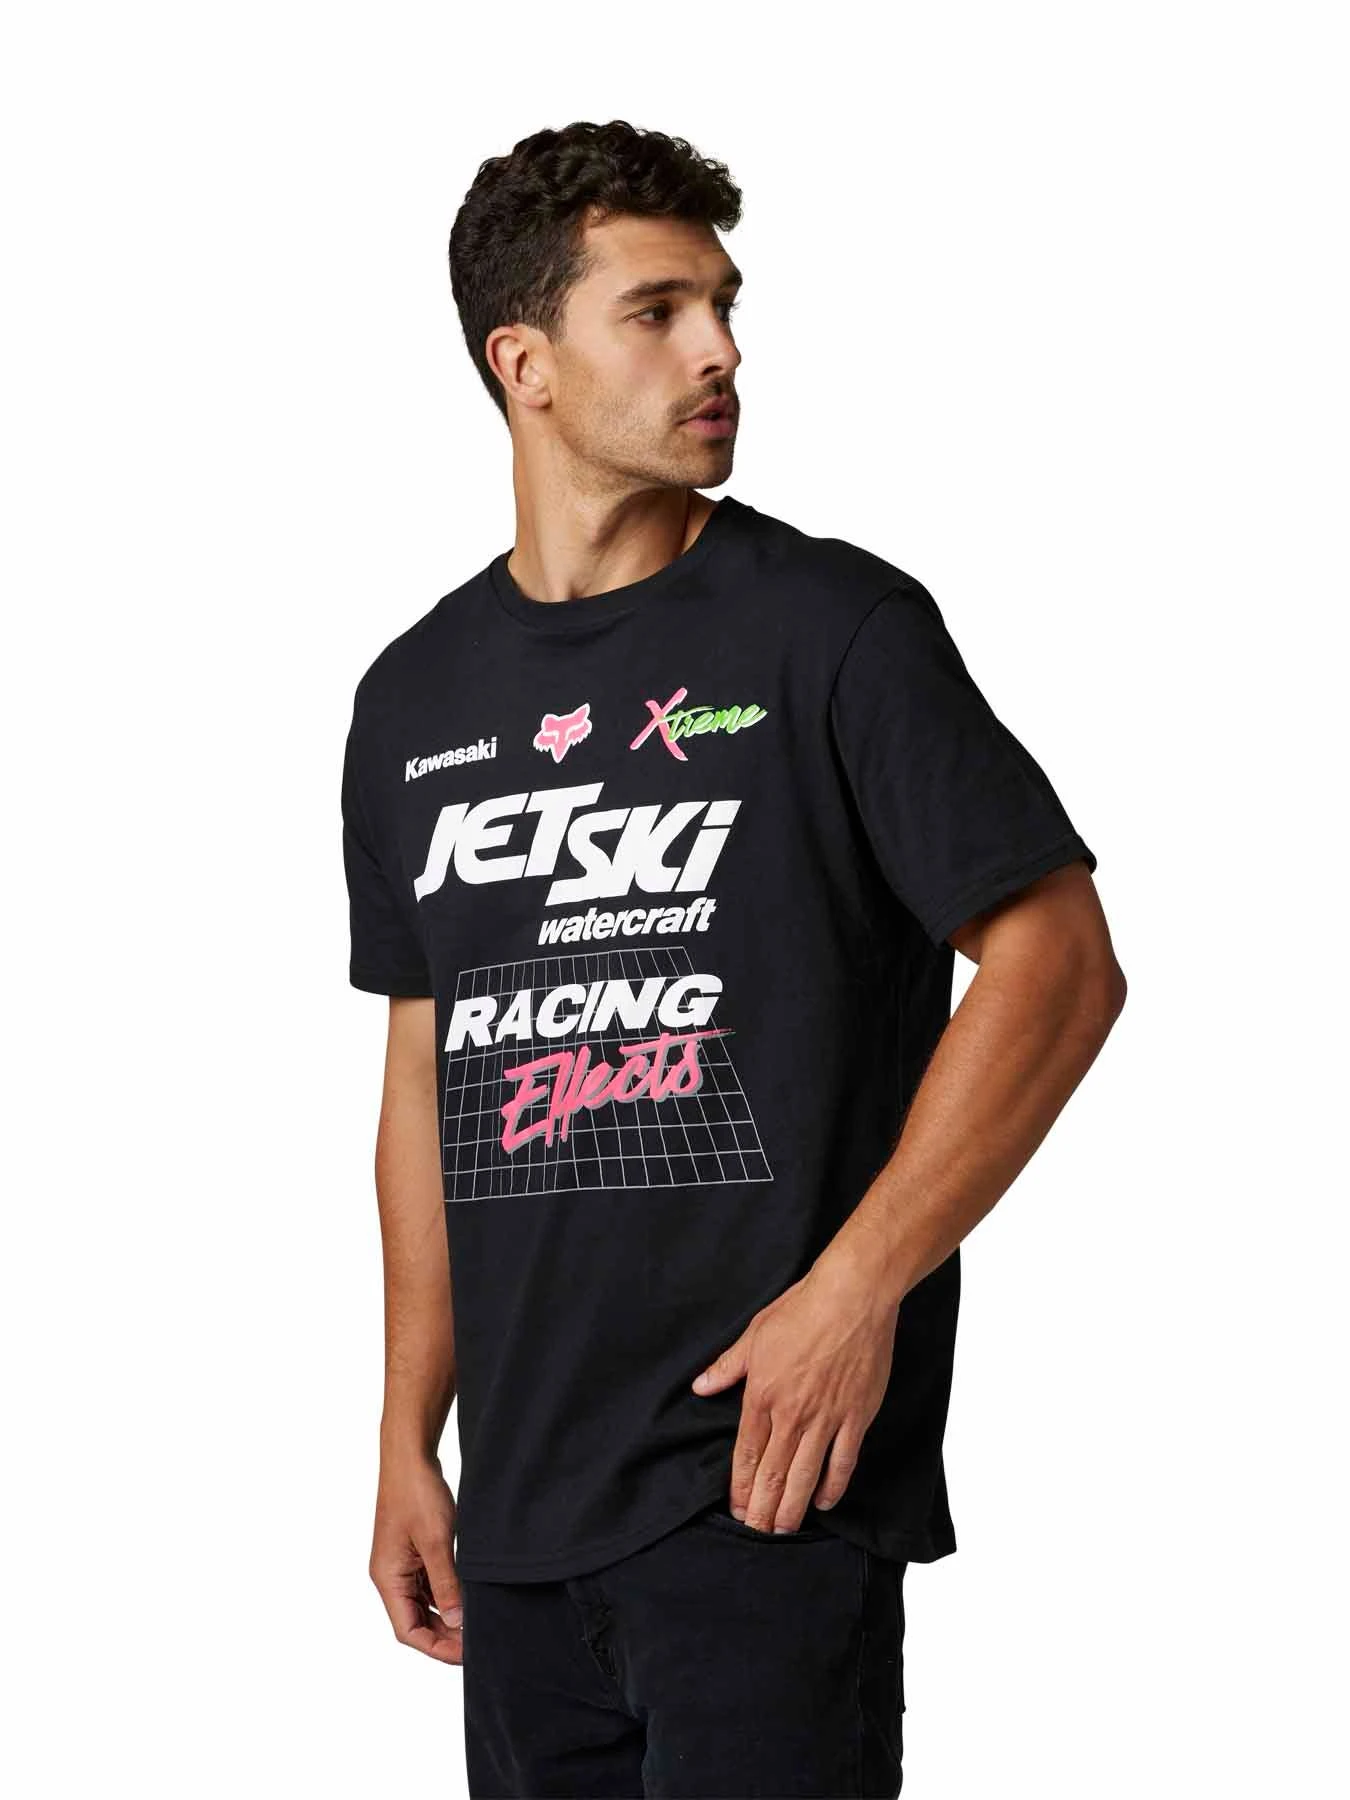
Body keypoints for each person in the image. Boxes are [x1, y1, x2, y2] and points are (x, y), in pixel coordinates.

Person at [340, 118, 1126, 1799]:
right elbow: (426, 1073)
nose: (720, 351)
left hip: (764, 1487)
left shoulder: (833, 629)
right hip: (521, 1516)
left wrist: (854, 1293)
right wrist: (408, 1432)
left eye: (723, 305)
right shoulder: (412, 698)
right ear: (523, 363)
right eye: (658, 312)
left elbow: (1057, 963)